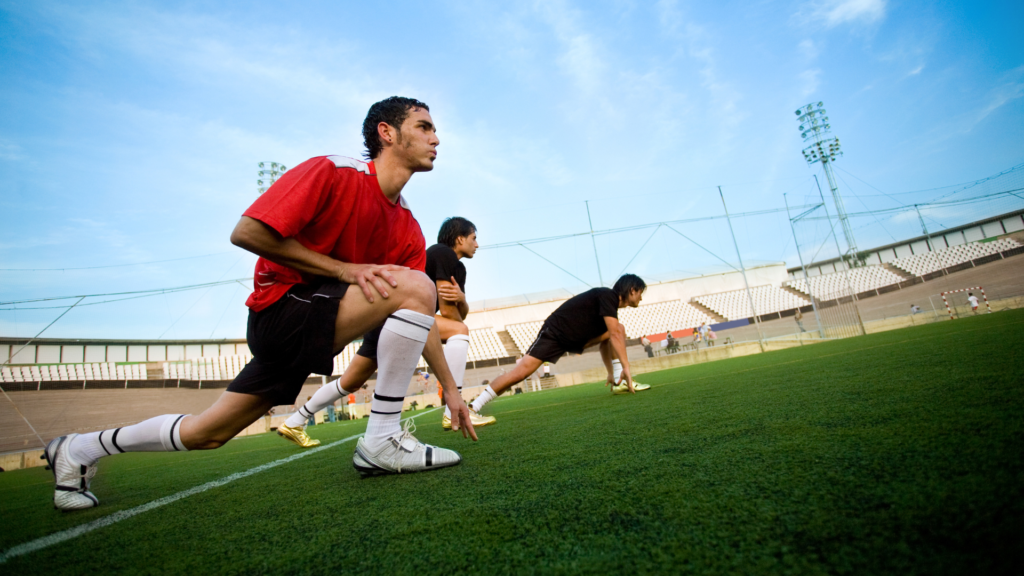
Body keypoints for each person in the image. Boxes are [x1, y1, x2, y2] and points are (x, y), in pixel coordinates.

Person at [41, 96, 479, 511]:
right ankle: (381, 439)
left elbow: (417, 312)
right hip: (281, 311)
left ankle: (77, 449)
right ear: (387, 132)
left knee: (207, 433)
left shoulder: (406, 223)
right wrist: (344, 270)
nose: (435, 138)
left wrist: (452, 394)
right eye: (424, 127)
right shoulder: (332, 171)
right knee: (415, 284)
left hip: (319, 318)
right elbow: (247, 232)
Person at [276, 216, 496, 445]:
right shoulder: (443, 254)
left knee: (349, 382)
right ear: (460, 239)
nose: (477, 244)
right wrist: (460, 304)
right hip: (399, 317)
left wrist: (462, 300)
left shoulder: (452, 263)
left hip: (385, 317)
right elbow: (453, 317)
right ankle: (454, 412)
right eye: (473, 238)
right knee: (460, 330)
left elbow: (459, 313)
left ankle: (294, 421)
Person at [469, 274, 651, 415]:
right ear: (632, 290)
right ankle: (473, 406)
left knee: (617, 328)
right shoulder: (608, 295)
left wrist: (612, 372)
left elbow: (607, 341)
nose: (641, 298)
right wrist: (627, 367)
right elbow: (615, 334)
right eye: (641, 293)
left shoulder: (609, 308)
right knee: (519, 374)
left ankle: (620, 382)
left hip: (573, 338)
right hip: (554, 335)